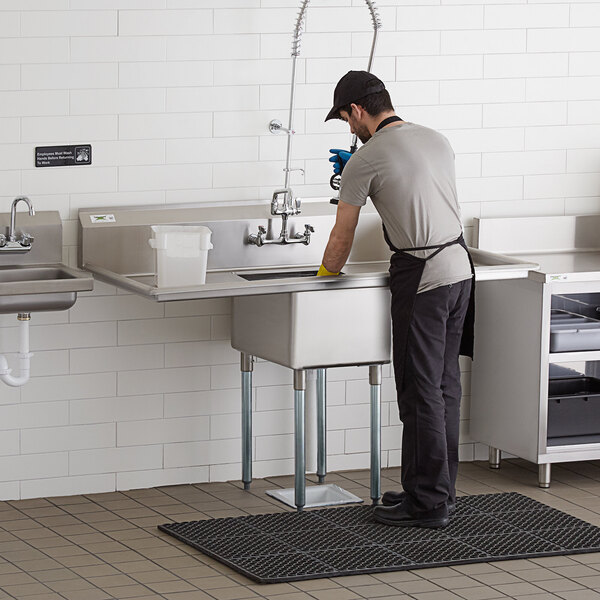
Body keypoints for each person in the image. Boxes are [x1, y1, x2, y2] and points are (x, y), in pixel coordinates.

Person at [317, 71, 475, 529]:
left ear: (358, 110)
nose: (349, 129)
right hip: (459, 270)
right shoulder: (435, 138)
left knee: (419, 391)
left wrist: (325, 275)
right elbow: (413, 185)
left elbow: (341, 238)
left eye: (346, 118)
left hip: (423, 276)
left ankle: (426, 504)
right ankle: (437, 489)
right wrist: (362, 167)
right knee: (445, 386)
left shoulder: (364, 161)